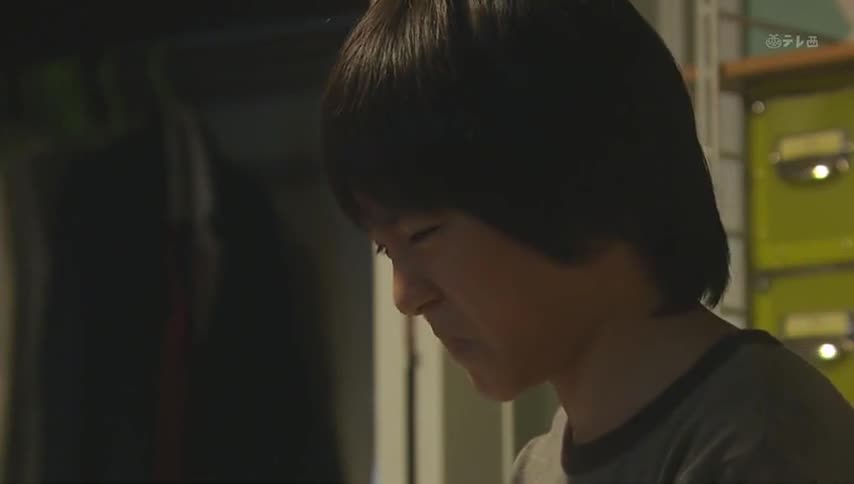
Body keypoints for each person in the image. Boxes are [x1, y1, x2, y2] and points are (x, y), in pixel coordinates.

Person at [320, 0, 854, 483]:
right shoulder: (536, 467)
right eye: (387, 250)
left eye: (422, 234)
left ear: (574, 181)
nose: (406, 296)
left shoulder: (759, 439)